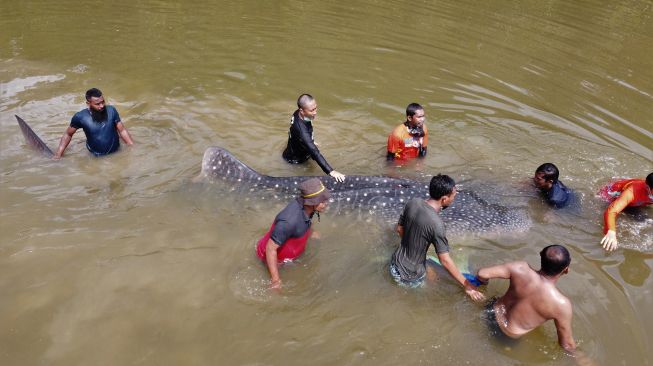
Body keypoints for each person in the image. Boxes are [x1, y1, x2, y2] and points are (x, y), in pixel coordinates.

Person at [390, 174, 484, 301]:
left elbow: (399, 229)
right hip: (410, 278)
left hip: (394, 264)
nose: (453, 199)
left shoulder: (413, 202)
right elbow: (445, 260)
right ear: (444, 199)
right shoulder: (437, 224)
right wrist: (468, 285)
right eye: (453, 196)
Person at [477, 245, 579, 353]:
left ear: (540, 255)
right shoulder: (561, 304)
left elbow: (482, 274)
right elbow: (566, 344)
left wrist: (483, 284)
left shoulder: (521, 268)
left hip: (489, 312)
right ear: (566, 270)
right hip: (506, 337)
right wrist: (581, 357)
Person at [256, 178, 331, 289]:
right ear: (312, 203)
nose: (326, 203)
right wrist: (275, 280)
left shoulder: (308, 208)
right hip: (270, 258)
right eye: (322, 201)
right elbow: (270, 249)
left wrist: (311, 232)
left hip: (291, 254)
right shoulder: (288, 222)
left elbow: (306, 220)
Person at [53, 88, 134, 159]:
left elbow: (122, 130)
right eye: (97, 104)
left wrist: (132, 146)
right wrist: (58, 154)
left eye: (103, 102)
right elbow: (68, 134)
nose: (102, 106)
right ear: (88, 103)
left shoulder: (111, 111)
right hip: (95, 156)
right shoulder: (80, 117)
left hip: (116, 152)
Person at [282, 94, 346, 182]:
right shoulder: (302, 133)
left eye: (316, 108)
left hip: (294, 148)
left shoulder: (297, 113)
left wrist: (310, 140)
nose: (315, 112)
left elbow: (292, 131)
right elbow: (315, 152)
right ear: (302, 110)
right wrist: (331, 171)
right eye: (312, 110)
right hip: (296, 160)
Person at [599, 172, 653, 251]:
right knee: (643, 221)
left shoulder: (650, 191)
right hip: (611, 197)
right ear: (649, 188)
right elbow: (611, 211)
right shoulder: (632, 192)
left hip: (638, 202)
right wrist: (611, 231)